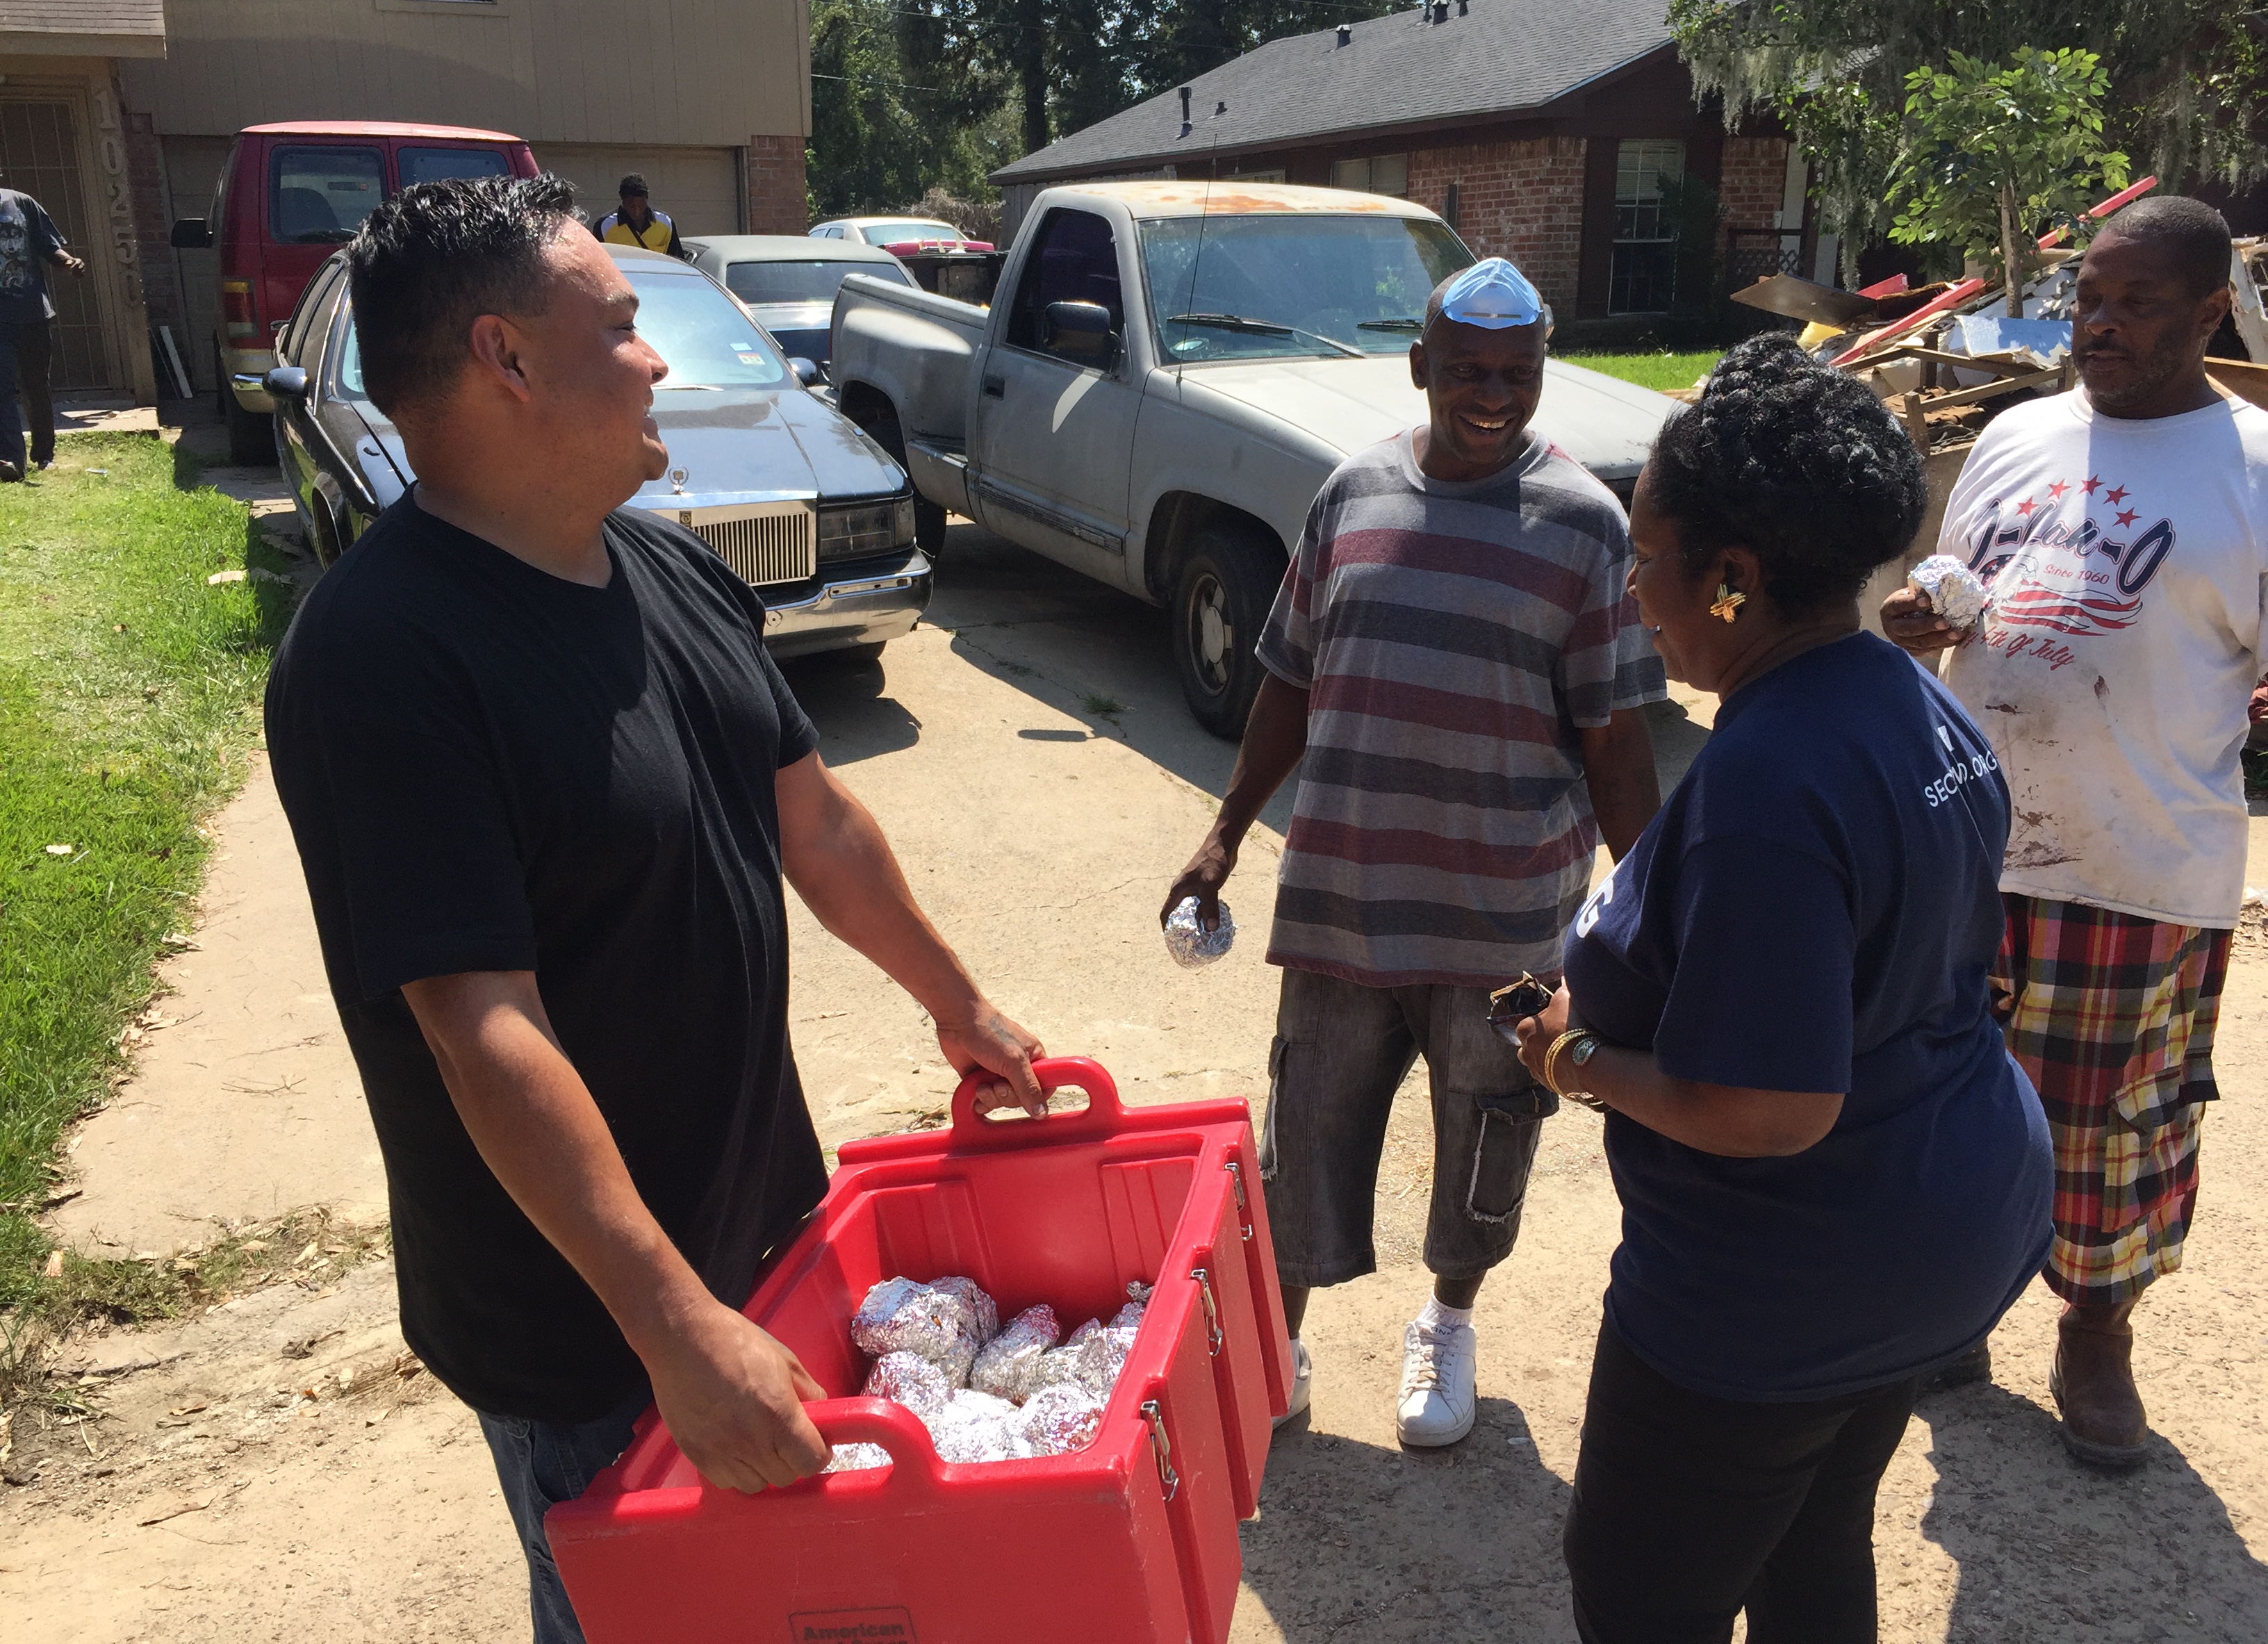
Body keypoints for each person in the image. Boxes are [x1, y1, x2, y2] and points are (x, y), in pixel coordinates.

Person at [265, 174, 1044, 1644]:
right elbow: (479, 1025)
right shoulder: (378, 659)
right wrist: (676, 1330)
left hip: (767, 1228)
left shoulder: (669, 565)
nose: (658, 358)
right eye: (621, 326)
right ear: (505, 358)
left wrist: (960, 1003)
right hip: (595, 1326)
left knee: (823, 1609)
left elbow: (811, 821)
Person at [1514, 334, 2053, 1644]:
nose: (1633, 591)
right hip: (1935, 1222)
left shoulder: (1766, 787)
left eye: (1644, 559)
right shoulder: (1903, 698)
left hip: (1782, 1284)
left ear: (1733, 578)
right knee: (1810, 1530)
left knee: (1641, 1583)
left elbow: (1769, 1107)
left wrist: (1566, 1060)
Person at [1162, 257, 1666, 1449]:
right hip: (1344, 899)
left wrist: (1653, 911)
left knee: (1486, 1135)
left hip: (1503, 919)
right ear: (1417, 367)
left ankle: (1444, 1317)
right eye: (1465, 372)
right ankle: (1276, 1348)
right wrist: (1224, 828)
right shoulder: (1349, 495)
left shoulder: (1583, 526)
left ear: (1539, 372)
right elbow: (1287, 676)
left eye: (1514, 373)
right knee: (1304, 1134)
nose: (1489, 395)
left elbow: (1614, 744)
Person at [1882, 194, 2265, 1468]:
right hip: (1961, 846)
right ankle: (1948, 1302)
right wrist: (1918, 621)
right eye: (2084, 299)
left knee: (2113, 1125)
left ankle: (2093, 1335)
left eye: (2133, 303)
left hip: (2138, 865)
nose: (2096, 325)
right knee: (1938, 1094)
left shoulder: (2252, 470)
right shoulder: (2012, 433)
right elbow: (1951, 585)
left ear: (2208, 310)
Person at [0, 177, 88, 482]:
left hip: (33, 312)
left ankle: (44, 455)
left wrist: (69, 262)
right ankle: (11, 460)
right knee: (3, 387)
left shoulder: (21, 203)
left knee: (36, 384)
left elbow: (49, 246)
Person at [592, 172, 688, 259]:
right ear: (622, 199)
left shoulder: (666, 223)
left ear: (647, 199)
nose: (637, 210)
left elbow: (677, 260)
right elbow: (597, 262)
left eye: (641, 205)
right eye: (631, 206)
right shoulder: (604, 225)